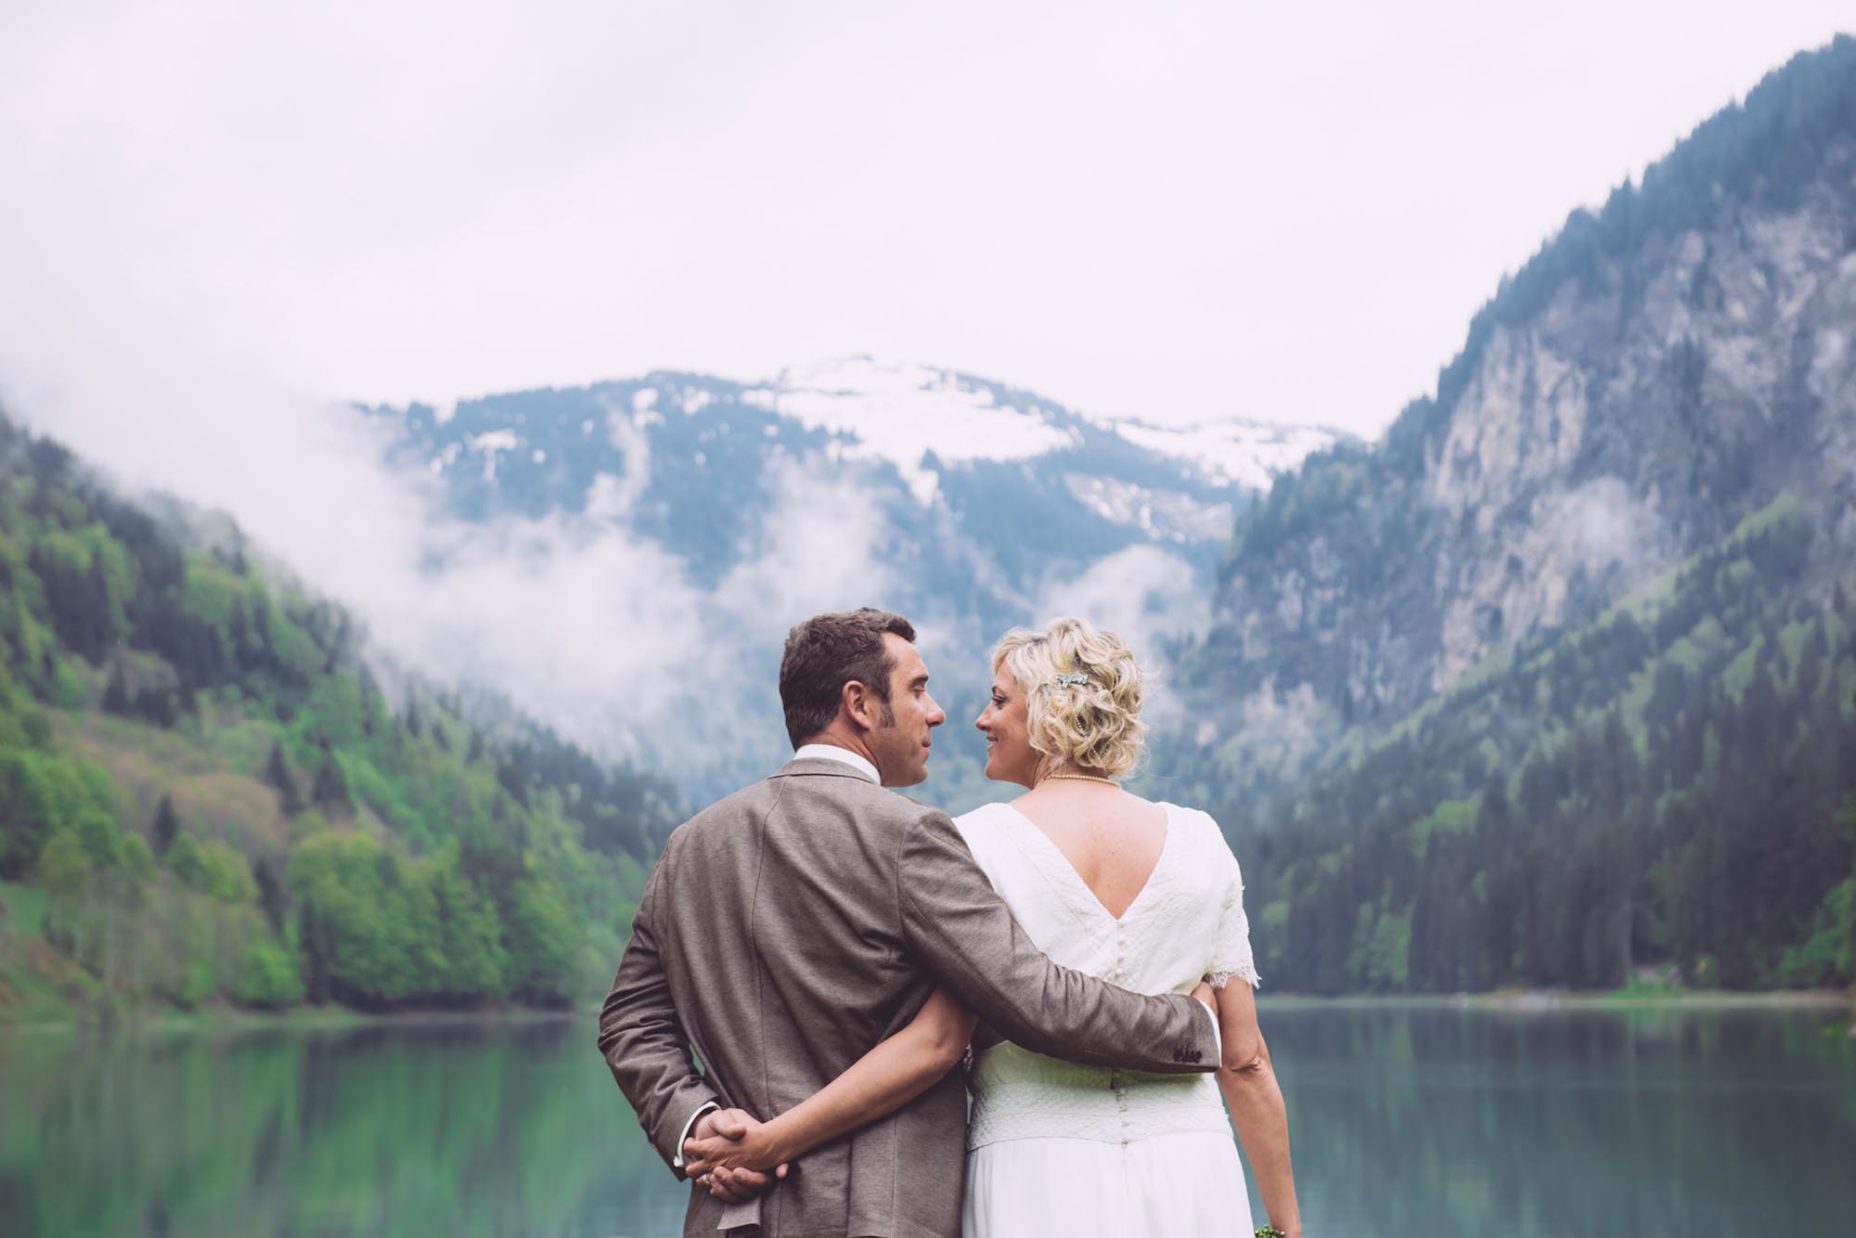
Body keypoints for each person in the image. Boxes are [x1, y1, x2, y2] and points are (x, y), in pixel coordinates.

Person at [598, 608, 1221, 1238]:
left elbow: (630, 1019)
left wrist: (697, 1126)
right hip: (880, 1215)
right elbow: (1033, 999)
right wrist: (1194, 1027)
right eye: (918, 689)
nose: (939, 712)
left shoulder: (691, 845)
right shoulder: (910, 836)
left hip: (735, 1215)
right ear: (860, 705)